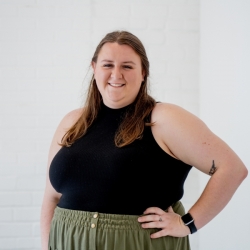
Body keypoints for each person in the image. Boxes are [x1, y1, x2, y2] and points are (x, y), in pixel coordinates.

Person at [40, 30, 248, 250]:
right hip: (67, 241)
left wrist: (187, 223)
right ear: (94, 68)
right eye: (107, 65)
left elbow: (232, 168)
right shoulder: (73, 122)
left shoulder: (163, 119)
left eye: (127, 66)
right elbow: (51, 198)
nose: (116, 74)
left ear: (143, 73)